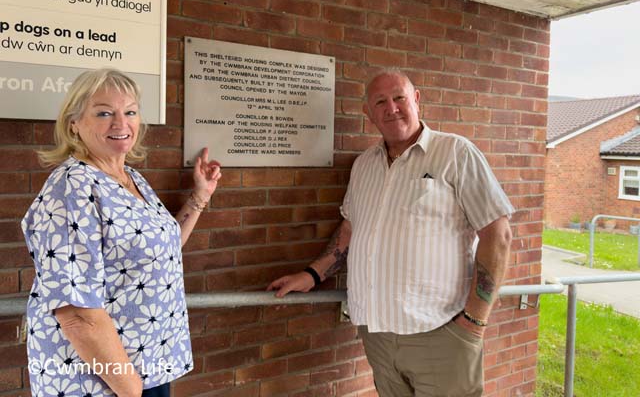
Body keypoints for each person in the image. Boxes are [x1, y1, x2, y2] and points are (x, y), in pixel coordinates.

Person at [268, 69, 514, 396]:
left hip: (441, 334)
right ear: (369, 114)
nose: (392, 107)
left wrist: (474, 321)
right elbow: (350, 230)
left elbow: (498, 235)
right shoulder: (363, 165)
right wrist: (313, 275)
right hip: (378, 336)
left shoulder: (456, 153)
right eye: (380, 101)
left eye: (399, 97)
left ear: (416, 99)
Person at [22, 68, 222, 397]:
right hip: (101, 381)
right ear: (74, 123)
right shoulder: (72, 188)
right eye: (103, 113)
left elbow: (161, 250)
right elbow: (75, 312)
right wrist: (129, 387)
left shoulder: (130, 178)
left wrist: (200, 197)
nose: (120, 123)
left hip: (147, 365)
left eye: (129, 111)